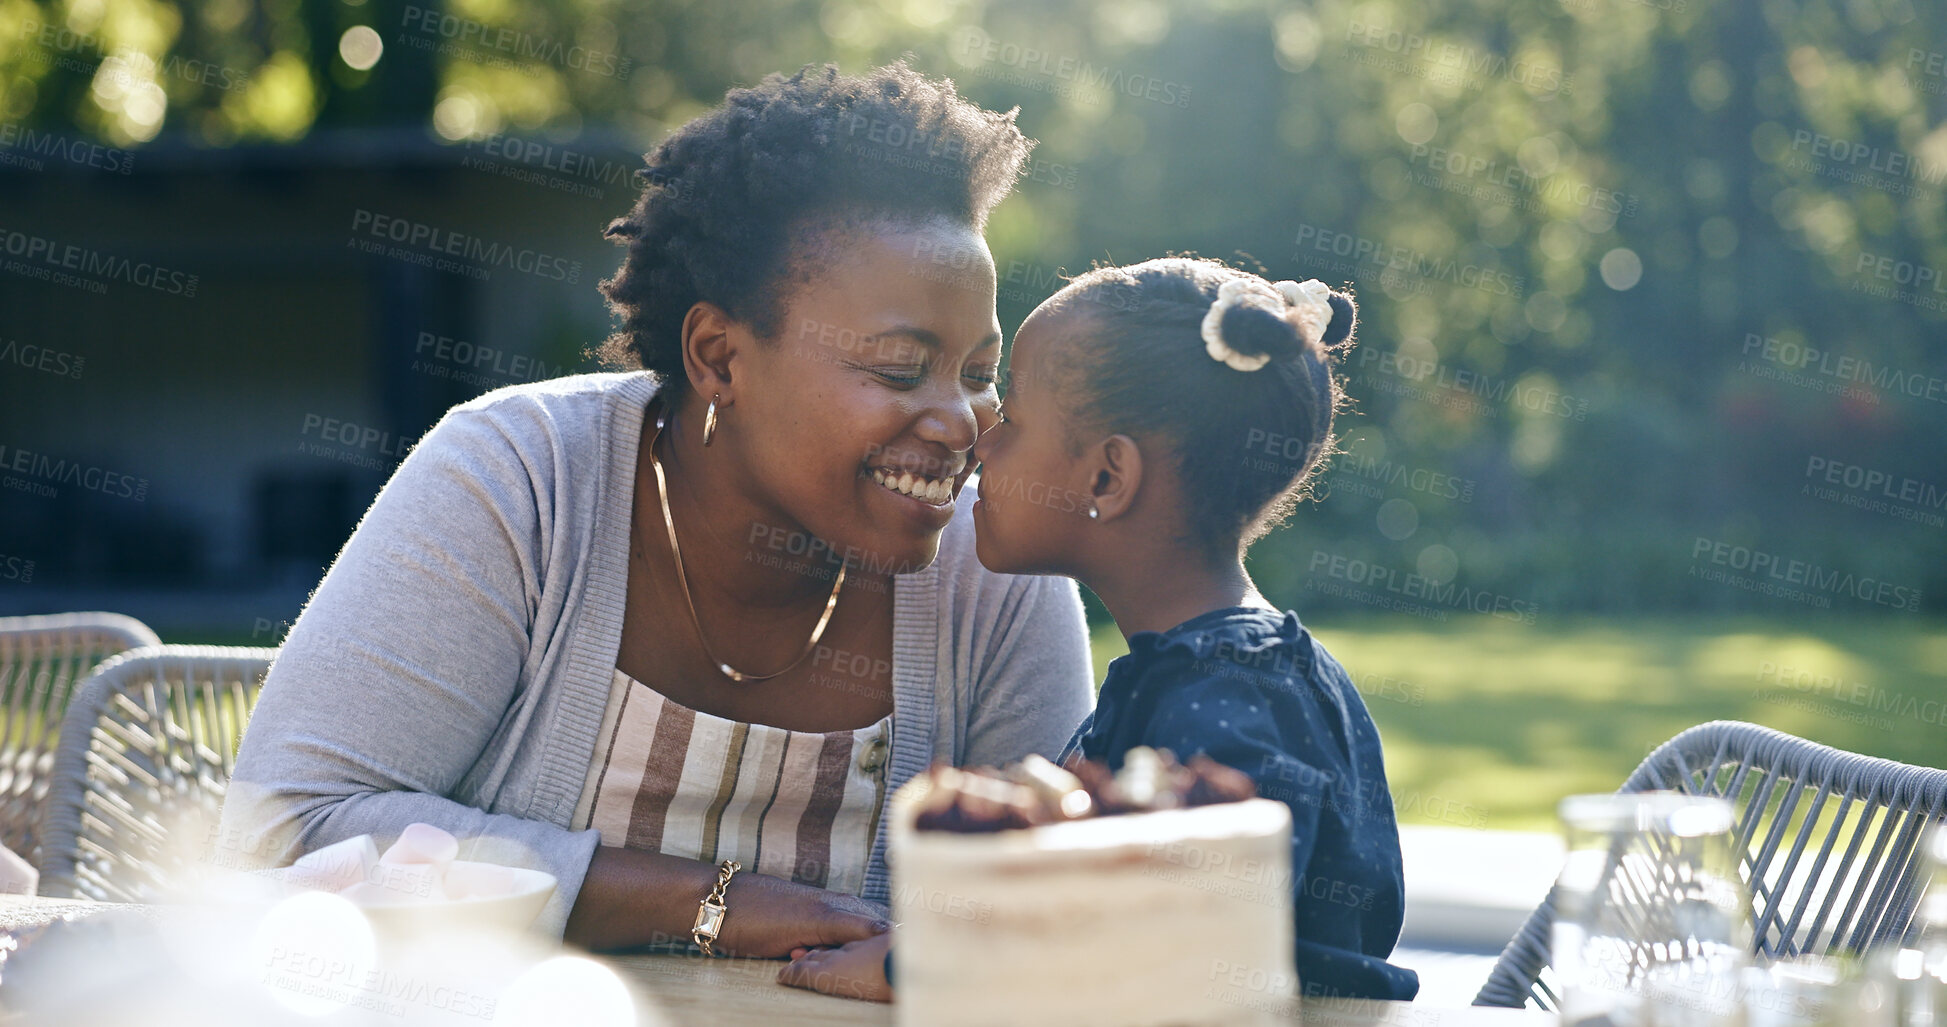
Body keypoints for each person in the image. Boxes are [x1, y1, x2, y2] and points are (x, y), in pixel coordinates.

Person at [216, 62, 1095, 958]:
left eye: (978, 375)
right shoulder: (521, 482)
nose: (960, 421)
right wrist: (712, 903)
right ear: (718, 356)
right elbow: (284, 832)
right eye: (899, 369)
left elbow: (1063, 915)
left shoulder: (996, 577)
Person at [780, 257, 1420, 1001]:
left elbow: (1165, 929)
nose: (979, 445)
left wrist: (923, 965)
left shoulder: (1234, 698)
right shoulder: (1200, 668)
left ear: (1108, 478)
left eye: (1012, 421)